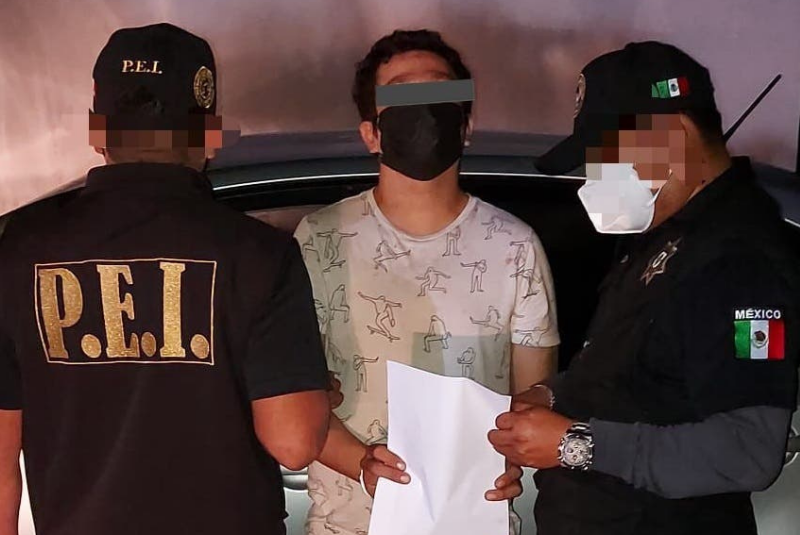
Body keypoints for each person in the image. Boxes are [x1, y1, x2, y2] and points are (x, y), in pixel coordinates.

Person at [0, 23, 330, 535]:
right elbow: (295, 442)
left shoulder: (19, 250)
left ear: (97, 131)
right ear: (207, 136)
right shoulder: (259, 253)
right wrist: (311, 390)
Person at [488, 41, 800, 535]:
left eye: (606, 155)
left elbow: (748, 450)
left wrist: (574, 444)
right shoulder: (664, 235)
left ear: (674, 135)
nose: (595, 176)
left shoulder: (739, 258)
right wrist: (551, 395)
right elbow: (634, 376)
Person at [294, 29, 561, 535]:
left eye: (439, 92)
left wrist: (512, 455)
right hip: (348, 525)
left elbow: (532, 397)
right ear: (371, 133)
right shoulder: (319, 239)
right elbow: (295, 396)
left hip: (472, 520)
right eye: (402, 95)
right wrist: (360, 463)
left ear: (466, 124)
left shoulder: (515, 246)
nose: (423, 110)